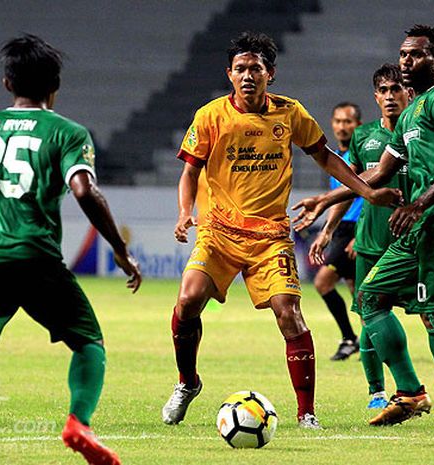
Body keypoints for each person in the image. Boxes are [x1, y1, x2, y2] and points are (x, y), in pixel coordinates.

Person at [161, 31, 401, 429]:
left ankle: (306, 413)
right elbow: (190, 171)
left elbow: (326, 156)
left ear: (270, 73)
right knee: (187, 301)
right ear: (229, 74)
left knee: (290, 315)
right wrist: (185, 211)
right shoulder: (210, 116)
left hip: (270, 237)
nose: (247, 75)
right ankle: (187, 383)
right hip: (219, 232)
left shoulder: (290, 114)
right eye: (240, 69)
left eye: (255, 68)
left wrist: (367, 191)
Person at [0, 34, 141, 465]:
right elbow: (84, 190)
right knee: (88, 343)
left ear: (7, 83)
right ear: (56, 87)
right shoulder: (66, 133)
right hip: (32, 255)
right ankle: (78, 423)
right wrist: (119, 249)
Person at [292, 25, 434, 430]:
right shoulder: (411, 114)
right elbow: (378, 173)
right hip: (416, 229)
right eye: (403, 54)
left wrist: (420, 203)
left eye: (417, 54)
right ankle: (410, 392)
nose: (407, 61)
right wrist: (324, 200)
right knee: (370, 298)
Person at [306, 63, 434, 410]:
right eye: (384, 91)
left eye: (396, 90)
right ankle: (376, 393)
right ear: (376, 97)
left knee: (432, 316)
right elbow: (355, 184)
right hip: (371, 243)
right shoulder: (363, 137)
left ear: (409, 92)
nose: (390, 97)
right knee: (369, 315)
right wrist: (328, 229)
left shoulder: (422, 130)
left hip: (413, 241)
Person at [308, 102, 363, 361]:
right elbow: (338, 199)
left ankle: (351, 339)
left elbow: (364, 196)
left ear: (358, 125)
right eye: (338, 121)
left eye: (348, 121)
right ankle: (367, 341)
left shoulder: (361, 154)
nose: (343, 126)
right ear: (332, 124)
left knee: (323, 282)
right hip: (342, 228)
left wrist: (359, 235)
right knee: (358, 290)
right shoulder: (335, 157)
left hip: (356, 229)